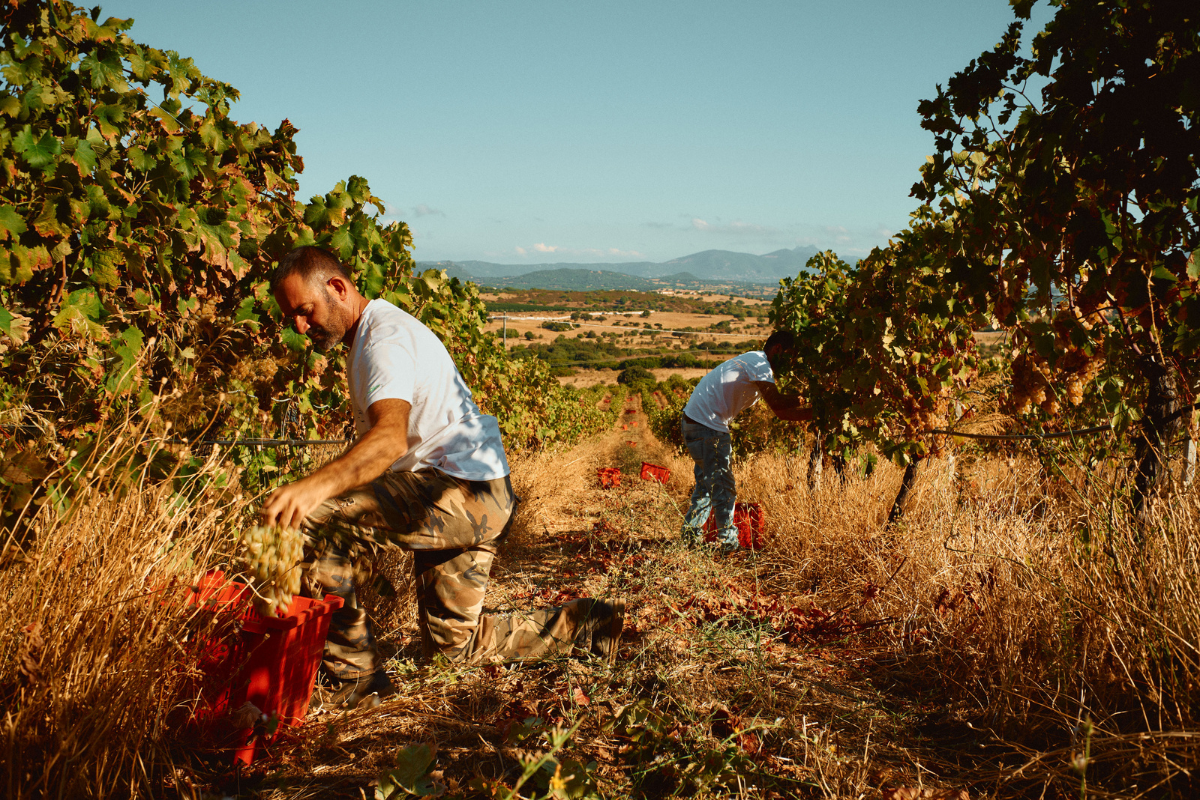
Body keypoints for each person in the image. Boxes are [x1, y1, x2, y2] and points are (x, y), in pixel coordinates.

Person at [262, 246, 623, 709]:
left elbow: (390, 439)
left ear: (337, 288)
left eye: (304, 310)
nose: (299, 326)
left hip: (459, 490)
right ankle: (587, 624)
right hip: (476, 490)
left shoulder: (382, 340)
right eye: (290, 316)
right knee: (453, 652)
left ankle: (358, 688)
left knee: (316, 516)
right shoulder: (372, 336)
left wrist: (310, 488)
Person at [680, 329, 809, 550]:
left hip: (694, 423)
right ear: (777, 349)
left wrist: (806, 403)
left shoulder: (753, 361)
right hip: (708, 427)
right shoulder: (759, 363)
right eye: (790, 356)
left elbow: (781, 409)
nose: (792, 363)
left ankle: (690, 538)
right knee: (723, 486)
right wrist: (813, 406)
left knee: (706, 486)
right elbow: (778, 406)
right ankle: (728, 544)